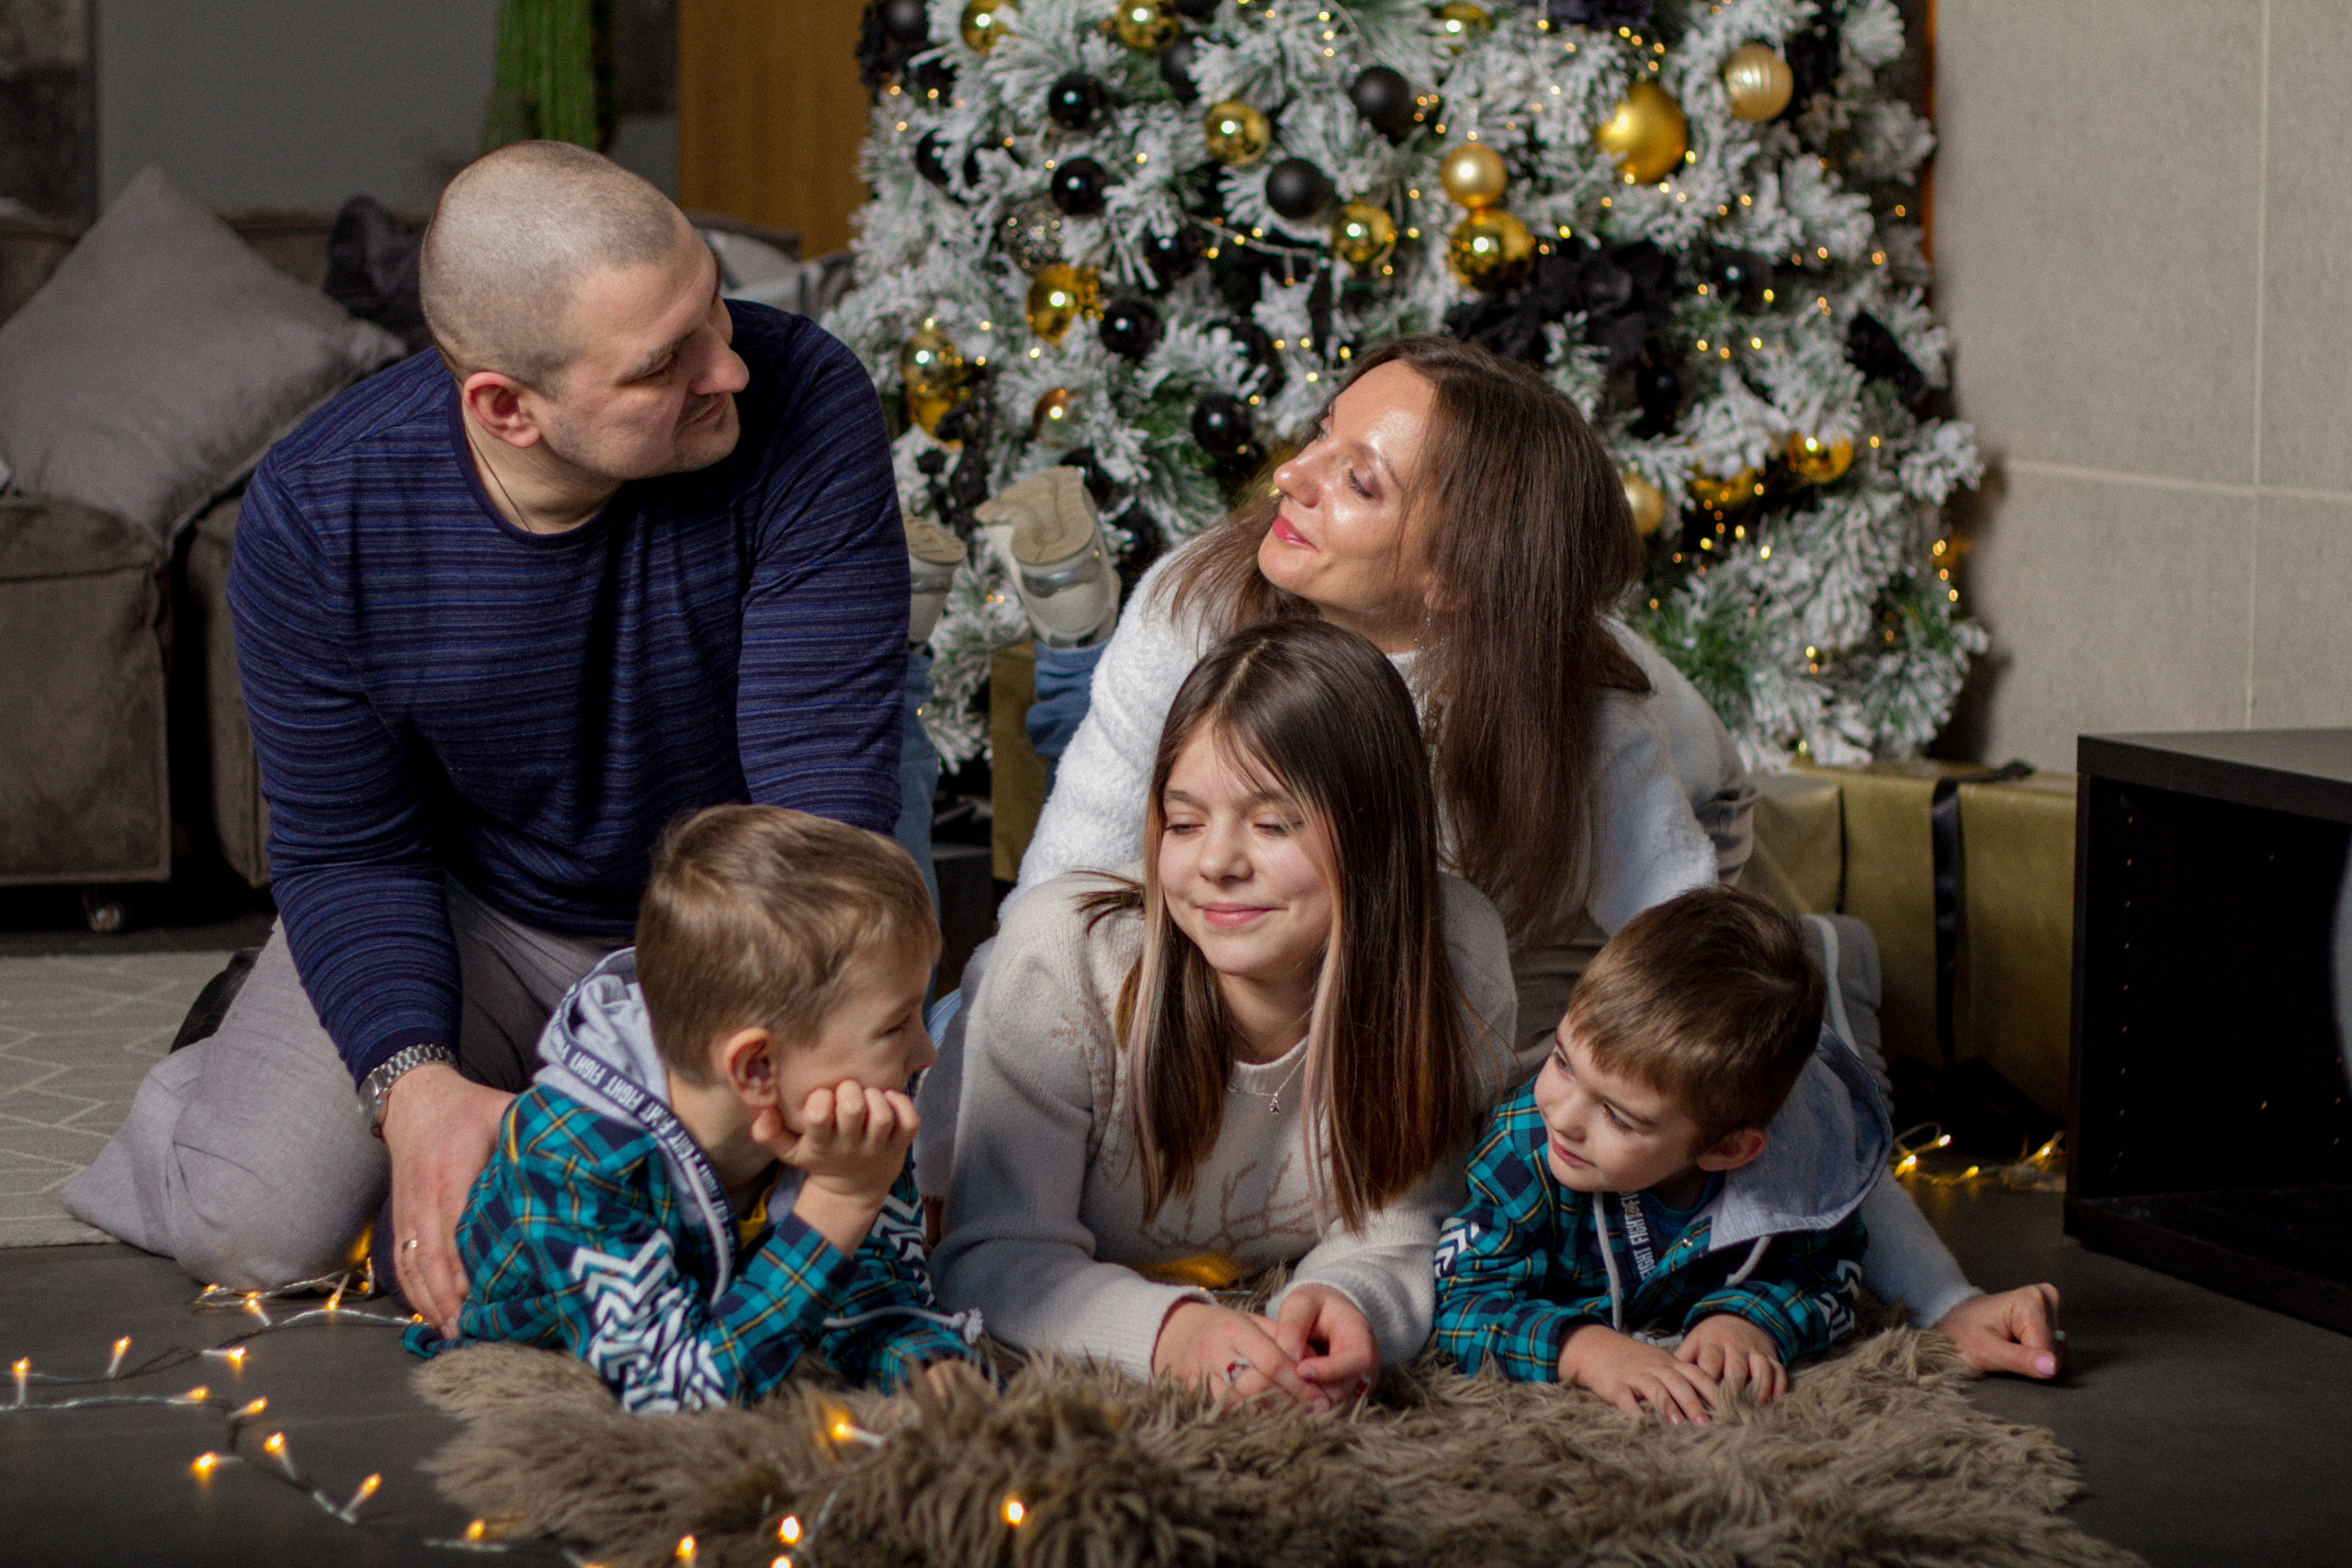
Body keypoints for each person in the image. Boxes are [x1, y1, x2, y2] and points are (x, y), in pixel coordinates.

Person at [950, 335, 2064, 1382]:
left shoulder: (1585, 733)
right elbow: (1060, 918)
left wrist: (1944, 1297)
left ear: (1456, 574)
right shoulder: (1193, 611)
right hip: (1329, 931)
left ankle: (1819, 961)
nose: (1290, 474)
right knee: (973, 1035)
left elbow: (1728, 1023)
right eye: (1322, 431)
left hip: (1538, 916)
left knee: (1622, 1094)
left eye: (1359, 480)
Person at [62, 141, 914, 1337]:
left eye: (715, 309)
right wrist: (413, 1089)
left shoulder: (804, 399)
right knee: (258, 1230)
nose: (727, 365)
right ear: (507, 407)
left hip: (753, 896)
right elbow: (353, 849)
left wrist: (686, 1095)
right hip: (487, 912)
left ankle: (509, 1088)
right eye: (663, 362)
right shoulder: (320, 514)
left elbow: (816, 813)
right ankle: (231, 1073)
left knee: (796, 1201)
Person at [934, 619, 1516, 1406]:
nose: (1215, 862)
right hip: (979, 1053)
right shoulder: (1060, 961)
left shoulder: (1457, 956)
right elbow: (990, 1253)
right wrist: (1175, 1336)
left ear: (1377, 832)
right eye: (1183, 822)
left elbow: (1405, 1223)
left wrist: (1350, 1300)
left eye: (1272, 823)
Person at [403, 807, 981, 1408]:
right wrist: (839, 1202)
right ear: (757, 1067)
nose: (927, 1052)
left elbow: (879, 1296)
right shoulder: (575, 1155)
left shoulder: (847, 1123)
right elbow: (672, 1393)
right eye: (896, 1025)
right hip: (536, 1313)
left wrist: (927, 1365)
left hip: (717, 1295)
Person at [1433, 886, 1887, 1423]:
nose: (1563, 1116)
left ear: (1727, 1149)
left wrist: (1748, 1321)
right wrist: (1585, 1351)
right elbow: (1462, 1302)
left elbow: (1829, 1272)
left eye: (1618, 1117)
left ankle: (1839, 957)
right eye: (1563, 1061)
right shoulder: (1521, 1149)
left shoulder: (1793, 1175)